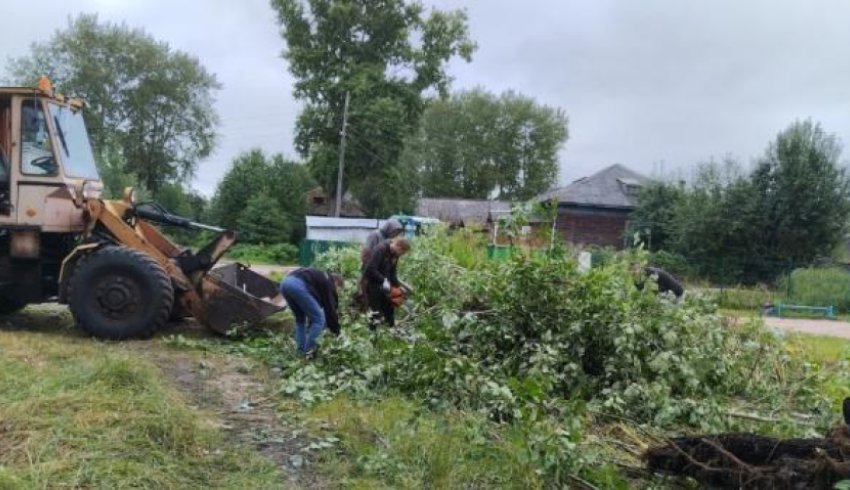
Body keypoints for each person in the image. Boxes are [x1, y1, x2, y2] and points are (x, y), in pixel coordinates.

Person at [279, 267, 343, 356]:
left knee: (300, 320)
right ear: (336, 282)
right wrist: (337, 331)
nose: (335, 291)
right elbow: (330, 310)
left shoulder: (321, 277)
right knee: (319, 320)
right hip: (297, 286)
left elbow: (314, 305)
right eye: (337, 288)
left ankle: (300, 352)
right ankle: (308, 353)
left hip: (285, 283)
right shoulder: (329, 283)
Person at [362, 237, 411, 328]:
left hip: (386, 286)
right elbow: (370, 269)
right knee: (375, 312)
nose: (401, 255)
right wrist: (383, 280)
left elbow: (392, 272)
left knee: (389, 309)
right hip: (373, 285)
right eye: (402, 252)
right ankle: (373, 334)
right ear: (398, 246)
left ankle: (390, 330)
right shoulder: (380, 249)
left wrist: (397, 287)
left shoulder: (395, 255)